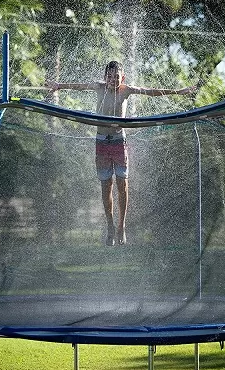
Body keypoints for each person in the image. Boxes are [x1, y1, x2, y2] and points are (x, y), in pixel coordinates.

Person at [46, 60, 197, 246]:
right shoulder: (98, 87)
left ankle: (121, 226)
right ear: (105, 77)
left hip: (119, 141)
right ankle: (110, 225)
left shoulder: (126, 90)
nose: (113, 80)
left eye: (116, 77)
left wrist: (177, 92)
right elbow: (78, 86)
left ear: (122, 77)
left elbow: (151, 91)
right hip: (101, 142)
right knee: (106, 186)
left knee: (122, 184)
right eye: (109, 76)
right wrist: (59, 86)